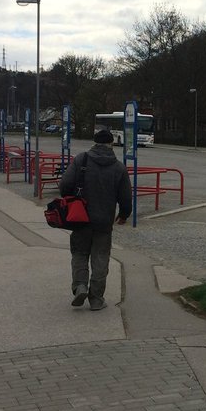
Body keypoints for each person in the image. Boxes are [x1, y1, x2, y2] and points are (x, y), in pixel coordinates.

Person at [59, 129, 132, 311]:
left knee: (79, 253)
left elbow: (65, 185)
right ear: (111, 143)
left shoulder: (81, 160)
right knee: (101, 258)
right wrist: (124, 214)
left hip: (80, 217)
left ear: (94, 142)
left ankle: (80, 286)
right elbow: (125, 197)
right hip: (104, 221)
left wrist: (72, 199)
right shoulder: (118, 167)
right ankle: (97, 298)